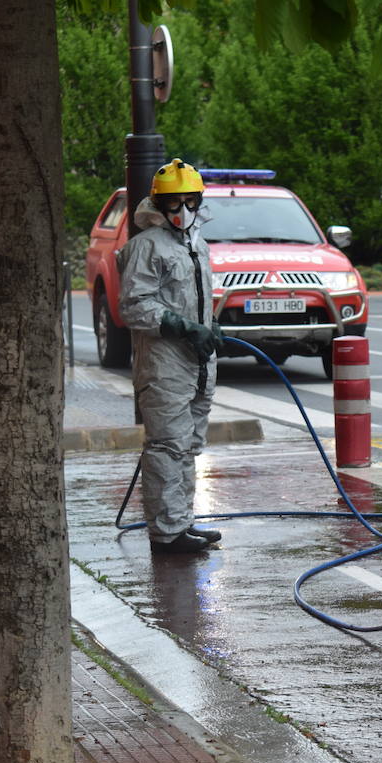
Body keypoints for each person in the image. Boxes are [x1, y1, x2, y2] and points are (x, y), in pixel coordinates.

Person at [119, 158, 224, 555]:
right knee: (167, 446)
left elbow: (197, 297)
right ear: (158, 206)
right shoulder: (146, 247)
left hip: (196, 363)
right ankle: (166, 534)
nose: (182, 213)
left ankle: (180, 522)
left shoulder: (197, 244)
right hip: (164, 364)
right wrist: (181, 327)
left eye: (189, 203)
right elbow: (134, 305)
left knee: (189, 444)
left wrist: (211, 325)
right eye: (174, 205)